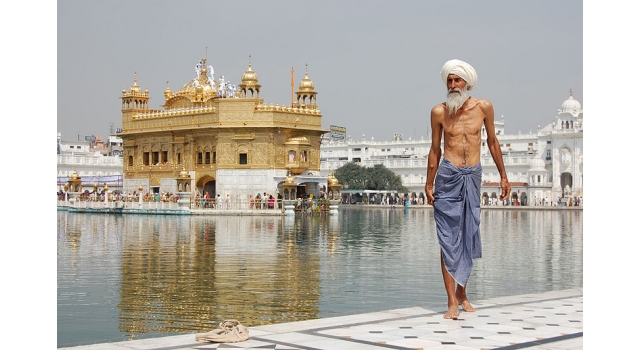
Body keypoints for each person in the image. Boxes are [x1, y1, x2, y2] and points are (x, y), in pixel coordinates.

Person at [425, 59, 510, 320]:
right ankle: (451, 300)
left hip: (472, 176)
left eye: (457, 80)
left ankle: (463, 292)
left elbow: (493, 142)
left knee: (468, 235)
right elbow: (435, 149)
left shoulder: (483, 108)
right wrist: (428, 183)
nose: (452, 85)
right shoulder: (439, 112)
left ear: (467, 83)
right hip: (448, 177)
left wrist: (504, 177)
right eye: (449, 81)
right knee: (448, 239)